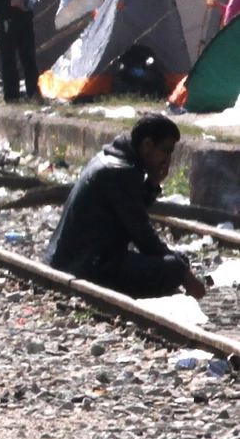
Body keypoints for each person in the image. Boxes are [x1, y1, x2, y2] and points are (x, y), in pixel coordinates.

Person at [43, 114, 207, 300]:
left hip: (78, 259)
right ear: (147, 145)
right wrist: (184, 273)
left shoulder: (112, 159)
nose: (168, 159)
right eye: (166, 151)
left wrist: (152, 184)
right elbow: (143, 235)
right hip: (87, 266)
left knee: (178, 260)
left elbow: (129, 208)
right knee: (175, 267)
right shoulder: (121, 172)